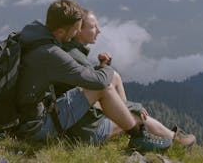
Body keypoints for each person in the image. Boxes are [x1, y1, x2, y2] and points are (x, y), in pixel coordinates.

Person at [15, 0, 172, 151]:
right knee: (103, 86)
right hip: (37, 127)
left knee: (104, 84)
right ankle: (138, 136)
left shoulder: (34, 37)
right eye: (76, 29)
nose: (77, 32)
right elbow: (98, 83)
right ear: (61, 31)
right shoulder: (51, 53)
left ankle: (134, 130)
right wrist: (106, 67)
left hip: (28, 117)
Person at [63, 8, 196, 147]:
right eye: (93, 27)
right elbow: (96, 91)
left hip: (77, 121)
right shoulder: (76, 58)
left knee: (113, 76)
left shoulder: (71, 52)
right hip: (86, 132)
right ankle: (176, 141)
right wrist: (134, 107)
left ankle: (127, 125)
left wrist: (103, 66)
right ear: (77, 30)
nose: (98, 30)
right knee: (139, 116)